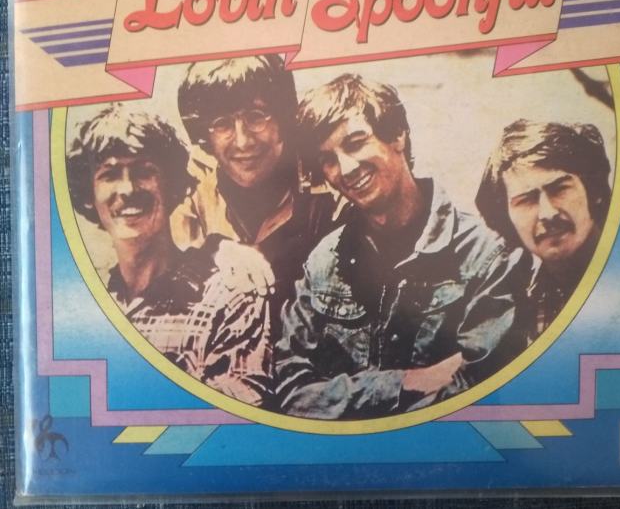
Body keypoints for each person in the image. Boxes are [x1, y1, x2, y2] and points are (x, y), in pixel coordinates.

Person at [275, 74, 535, 420]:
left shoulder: (485, 254)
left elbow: (482, 389)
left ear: (398, 135)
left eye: (355, 143)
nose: (346, 168)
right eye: (328, 159)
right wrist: (409, 382)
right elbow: (292, 390)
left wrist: (342, 401)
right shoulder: (323, 262)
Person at [67, 104, 273, 406]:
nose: (127, 189)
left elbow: (237, 410)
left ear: (174, 186)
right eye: (109, 174)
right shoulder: (84, 306)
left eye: (144, 172)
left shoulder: (228, 294)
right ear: (89, 195)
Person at [173, 56, 339, 328]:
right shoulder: (193, 189)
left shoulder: (327, 184)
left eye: (256, 117)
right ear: (204, 134)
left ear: (283, 119)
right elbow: (165, 258)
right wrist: (215, 249)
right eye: (222, 124)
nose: (242, 141)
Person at [475, 119, 612, 341]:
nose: (547, 213)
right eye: (526, 200)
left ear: (594, 190)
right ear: (507, 218)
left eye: (559, 189)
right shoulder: (521, 303)